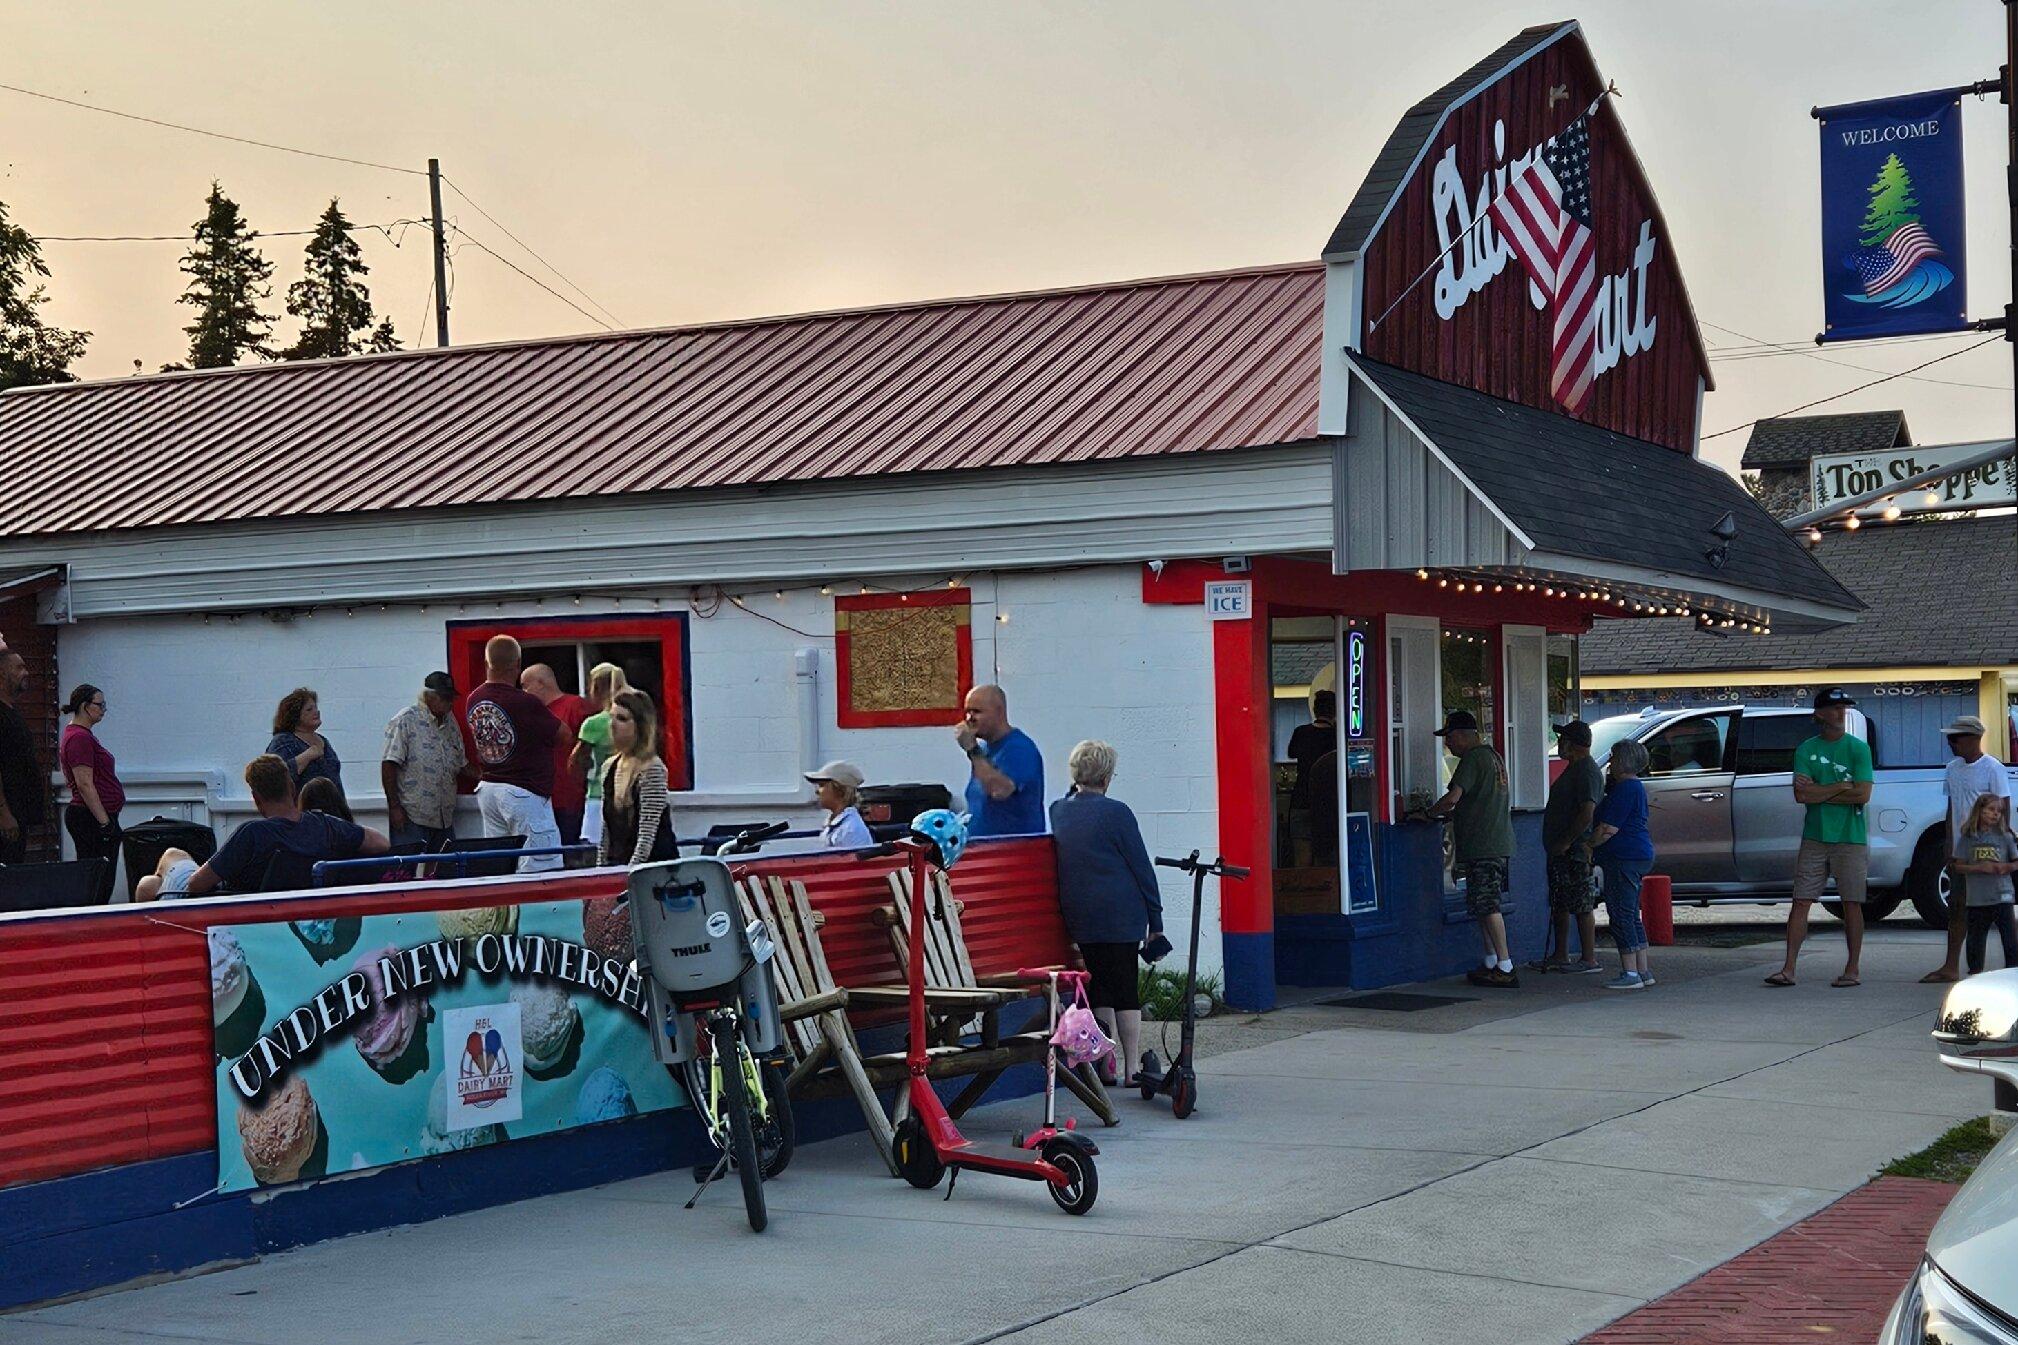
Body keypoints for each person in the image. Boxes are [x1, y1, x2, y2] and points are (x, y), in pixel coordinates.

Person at [1049, 740, 1164, 1086]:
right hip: (1121, 912)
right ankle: (1131, 1068)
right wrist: (1155, 922)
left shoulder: (1058, 810)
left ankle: (1105, 1063)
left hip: (1081, 913)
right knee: (1125, 986)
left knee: (1098, 985)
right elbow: (1142, 868)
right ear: (1108, 775)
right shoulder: (1117, 812)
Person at [1766, 688, 1874, 989]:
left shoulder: (1857, 748)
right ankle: (1788, 968)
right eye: (1834, 708)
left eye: (1844, 708)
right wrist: (1841, 786)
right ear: (1819, 714)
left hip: (1850, 837)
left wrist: (1820, 791)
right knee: (1801, 900)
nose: (1841, 713)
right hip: (1815, 835)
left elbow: (1863, 793)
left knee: (1852, 901)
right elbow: (1801, 794)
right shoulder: (1806, 749)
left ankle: (1852, 968)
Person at [172, 755, 389, 896]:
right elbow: (381, 843)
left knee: (169, 860)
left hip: (243, 915)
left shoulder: (252, 834)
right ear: (292, 789)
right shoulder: (327, 826)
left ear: (256, 798)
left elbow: (196, 885)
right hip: (303, 913)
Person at [1424, 710, 1517, 987]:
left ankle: (1505, 965)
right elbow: (1478, 800)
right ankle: (1490, 961)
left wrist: (1429, 813)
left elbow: (1453, 797)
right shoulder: (1493, 756)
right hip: (1494, 841)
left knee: (1488, 905)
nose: (1447, 744)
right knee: (1480, 904)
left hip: (1484, 845)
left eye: (1450, 737)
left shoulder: (1472, 759)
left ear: (1464, 735)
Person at [1922, 715, 2013, 984]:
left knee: (1996, 909)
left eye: (1956, 738)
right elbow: (1952, 808)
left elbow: (2002, 808)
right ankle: (1952, 965)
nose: (1951, 743)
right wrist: (1950, 844)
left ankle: (2007, 966)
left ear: (1973, 738)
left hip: (1987, 848)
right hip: (1963, 848)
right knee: (1958, 906)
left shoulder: (1992, 768)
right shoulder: (1952, 768)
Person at [464, 635, 563, 873]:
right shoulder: (525, 702)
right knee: (539, 866)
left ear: (487, 664)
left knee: (501, 865)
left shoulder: (473, 699)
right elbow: (563, 735)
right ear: (517, 665)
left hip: (488, 787)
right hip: (523, 791)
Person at [1533, 720, 1605, 975]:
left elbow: (1587, 811)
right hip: (1559, 851)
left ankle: (1589, 958)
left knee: (1582, 904)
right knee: (1560, 902)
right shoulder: (1573, 768)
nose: (1559, 744)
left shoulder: (1586, 771)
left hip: (1574, 852)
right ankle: (1560, 954)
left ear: (1573, 744)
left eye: (1563, 739)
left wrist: (1567, 841)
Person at [1590, 738, 1656, 990]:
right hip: (1637, 854)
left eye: (1614, 758)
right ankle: (1641, 968)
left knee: (1620, 913)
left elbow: (1608, 828)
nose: (1611, 762)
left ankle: (1630, 972)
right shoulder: (1635, 787)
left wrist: (1588, 845)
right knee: (1631, 913)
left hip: (1623, 856)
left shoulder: (1625, 789)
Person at [381, 671, 470, 852]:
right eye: (445, 698)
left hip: (444, 816)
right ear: (429, 696)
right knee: (407, 870)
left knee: (445, 871)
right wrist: (394, 807)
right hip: (412, 814)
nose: (450, 703)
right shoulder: (406, 719)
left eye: (451, 698)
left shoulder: (450, 722)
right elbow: (389, 764)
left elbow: (461, 763)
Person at [59, 684, 123, 904]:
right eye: (100, 704)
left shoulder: (83, 735)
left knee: (102, 881)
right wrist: (105, 823)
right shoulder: (79, 738)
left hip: (94, 816)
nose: (104, 709)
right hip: (91, 818)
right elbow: (85, 783)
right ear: (86, 707)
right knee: (98, 883)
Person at [598, 689, 675, 866]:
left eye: (622, 719)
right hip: (618, 865)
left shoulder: (652, 768)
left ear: (640, 725)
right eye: (612, 717)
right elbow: (606, 831)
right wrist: (600, 873)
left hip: (653, 871)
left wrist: (629, 876)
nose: (612, 725)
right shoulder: (609, 766)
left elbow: (647, 835)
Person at [956, 684, 1044, 838]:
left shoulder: (1019, 748)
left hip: (1012, 852)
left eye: (976, 711)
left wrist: (972, 750)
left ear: (999, 711)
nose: (969, 719)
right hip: (983, 851)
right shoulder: (984, 751)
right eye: (967, 712)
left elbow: (999, 790)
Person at [521, 663, 593, 848]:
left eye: (525, 686)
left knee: (571, 855)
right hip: (541, 800)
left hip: (570, 798)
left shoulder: (575, 706)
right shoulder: (531, 713)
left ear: (540, 683)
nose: (523, 692)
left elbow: (592, 748)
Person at [1954, 794, 2018, 975]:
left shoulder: (2005, 836)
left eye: (1999, 811)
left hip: (2002, 894)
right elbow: (1958, 865)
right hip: (1977, 898)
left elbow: (2016, 862)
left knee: (2009, 937)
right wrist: (1978, 868)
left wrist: (2006, 867)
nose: (1995, 814)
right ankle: (1975, 972)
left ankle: (2012, 972)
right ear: (1979, 811)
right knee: (1975, 938)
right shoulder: (1968, 837)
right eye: (1991, 810)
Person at [570, 662, 630, 852]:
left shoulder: (593, 724)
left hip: (598, 795)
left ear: (596, 687)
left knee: (594, 852)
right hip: (628, 795)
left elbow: (575, 762)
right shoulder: (633, 719)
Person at [0, 648, 46, 866]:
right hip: (6, 819)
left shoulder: (13, 712)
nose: (26, 672)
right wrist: (4, 814)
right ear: (2, 674)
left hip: (19, 815)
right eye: (19, 668)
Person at [1286, 691, 1337, 865]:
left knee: (1302, 861)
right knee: (1327, 862)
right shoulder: (1338, 737)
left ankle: (1303, 891)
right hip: (1329, 804)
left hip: (1301, 799)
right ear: (1335, 711)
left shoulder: (1301, 732)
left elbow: (1291, 753)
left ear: (1315, 710)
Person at [266, 687, 343, 800]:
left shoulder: (323, 741)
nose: (316, 712)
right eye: (309, 709)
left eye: (316, 707)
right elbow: (274, 778)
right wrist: (306, 756)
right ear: (295, 715)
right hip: (302, 813)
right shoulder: (283, 742)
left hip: (333, 812)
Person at [806, 760, 874, 849]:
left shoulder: (851, 829)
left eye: (822, 785)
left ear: (839, 790)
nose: (817, 791)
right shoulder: (837, 823)